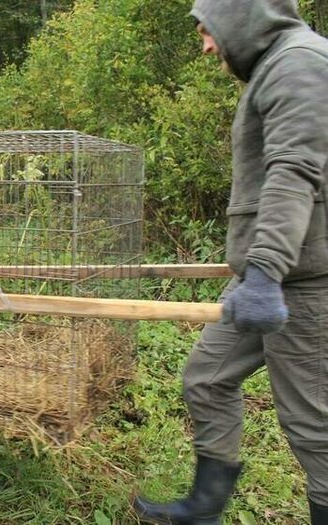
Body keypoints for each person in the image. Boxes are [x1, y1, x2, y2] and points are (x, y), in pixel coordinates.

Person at [133, 1, 328, 523]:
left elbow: (294, 172)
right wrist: (255, 273)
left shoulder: (302, 63)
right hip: (266, 277)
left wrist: (265, 273)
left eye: (208, 30)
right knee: (207, 378)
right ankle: (205, 507)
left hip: (301, 283)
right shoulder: (274, 67)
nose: (206, 44)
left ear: (242, 17)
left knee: (312, 426)